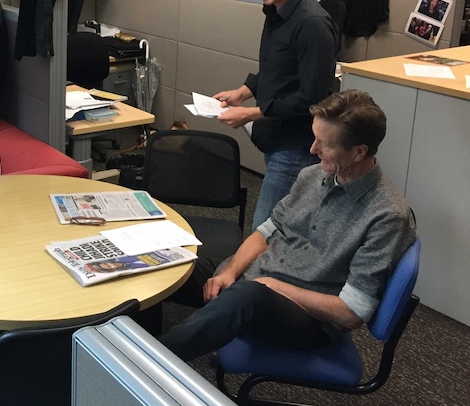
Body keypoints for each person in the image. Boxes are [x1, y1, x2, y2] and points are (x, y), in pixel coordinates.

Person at [159, 89, 417, 362]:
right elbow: (265, 234)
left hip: (305, 319)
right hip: (254, 282)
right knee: (167, 265)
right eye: (314, 138)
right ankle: (123, 334)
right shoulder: (311, 176)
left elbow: (350, 313)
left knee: (247, 297)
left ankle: (140, 365)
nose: (312, 149)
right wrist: (230, 272)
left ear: (358, 152)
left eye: (324, 143)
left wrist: (271, 285)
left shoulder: (387, 216)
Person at [214, 0, 338, 230]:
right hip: (275, 138)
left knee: (264, 234)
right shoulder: (276, 12)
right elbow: (277, 70)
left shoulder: (312, 24)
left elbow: (313, 98)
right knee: (276, 231)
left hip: (295, 147)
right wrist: (243, 92)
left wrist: (251, 113)